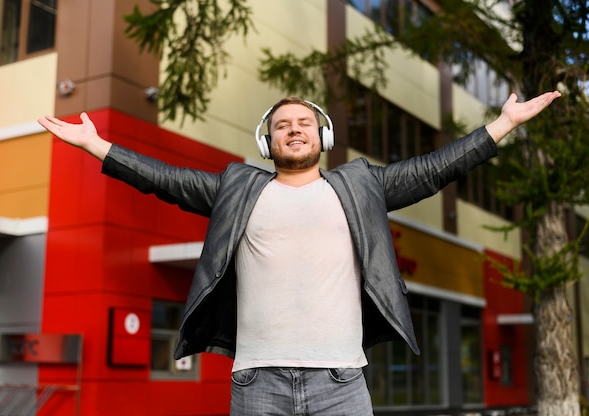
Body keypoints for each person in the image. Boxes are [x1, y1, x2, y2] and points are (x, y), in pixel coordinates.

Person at [38, 91, 560, 415]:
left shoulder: (362, 186)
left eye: (303, 123)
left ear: (323, 136)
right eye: (282, 124)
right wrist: (96, 146)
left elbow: (432, 169)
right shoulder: (237, 188)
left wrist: (505, 125)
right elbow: (165, 180)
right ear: (268, 142)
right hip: (256, 382)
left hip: (342, 382)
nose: (293, 129)